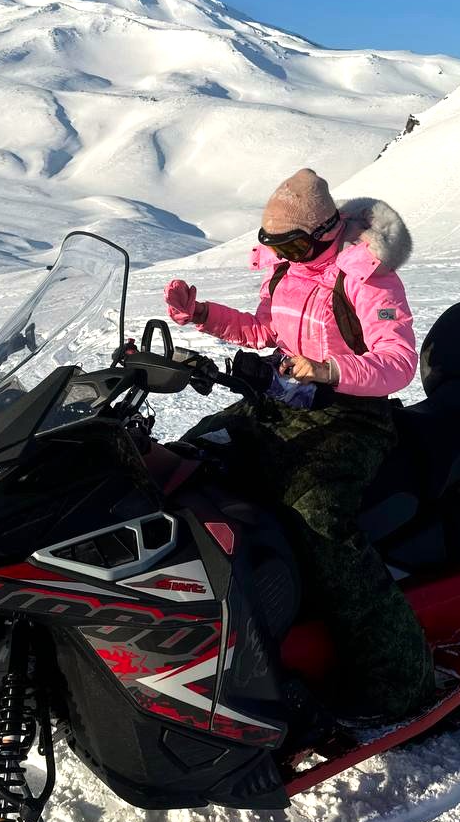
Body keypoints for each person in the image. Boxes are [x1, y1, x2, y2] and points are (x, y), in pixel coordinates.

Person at [164, 168, 434, 720]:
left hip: (350, 416)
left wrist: (328, 369)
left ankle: (399, 679)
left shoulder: (366, 276)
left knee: (318, 520)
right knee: (190, 460)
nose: (283, 252)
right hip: (286, 403)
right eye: (274, 244)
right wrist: (201, 315)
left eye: (291, 242)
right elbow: (265, 331)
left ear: (325, 231)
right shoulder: (288, 269)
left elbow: (398, 362)